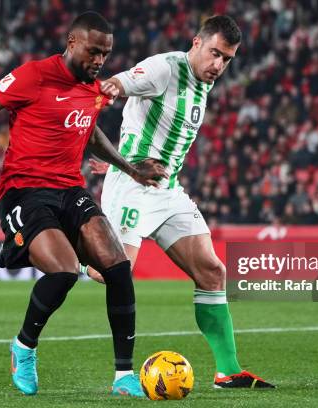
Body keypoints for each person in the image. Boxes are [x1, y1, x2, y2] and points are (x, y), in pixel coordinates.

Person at [0, 11, 165, 397]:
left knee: (118, 268)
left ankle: (124, 376)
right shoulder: (33, 76)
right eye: (94, 51)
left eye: (106, 53)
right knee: (65, 272)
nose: (100, 60)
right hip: (24, 190)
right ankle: (24, 347)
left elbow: (90, 132)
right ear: (72, 42)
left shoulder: (94, 89)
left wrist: (132, 170)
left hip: (70, 189)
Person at [87, 15, 274, 389]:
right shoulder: (166, 68)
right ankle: (68, 256)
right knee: (107, 273)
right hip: (133, 188)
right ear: (196, 43)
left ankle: (228, 370)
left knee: (212, 271)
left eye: (228, 60)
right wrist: (109, 88)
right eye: (215, 54)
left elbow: (153, 132)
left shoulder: (203, 81)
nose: (219, 65)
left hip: (168, 190)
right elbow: (123, 82)